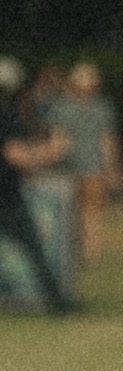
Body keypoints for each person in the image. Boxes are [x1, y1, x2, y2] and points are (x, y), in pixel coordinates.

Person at [0, 59, 77, 313]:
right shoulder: (5, 114)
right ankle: (57, 302)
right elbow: (16, 155)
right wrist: (52, 152)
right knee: (31, 246)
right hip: (5, 195)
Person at [49, 61, 122, 266]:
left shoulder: (62, 107)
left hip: (73, 166)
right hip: (86, 165)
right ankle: (90, 253)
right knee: (89, 212)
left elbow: (57, 139)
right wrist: (111, 167)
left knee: (78, 211)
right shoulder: (102, 107)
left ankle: (83, 252)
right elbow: (107, 140)